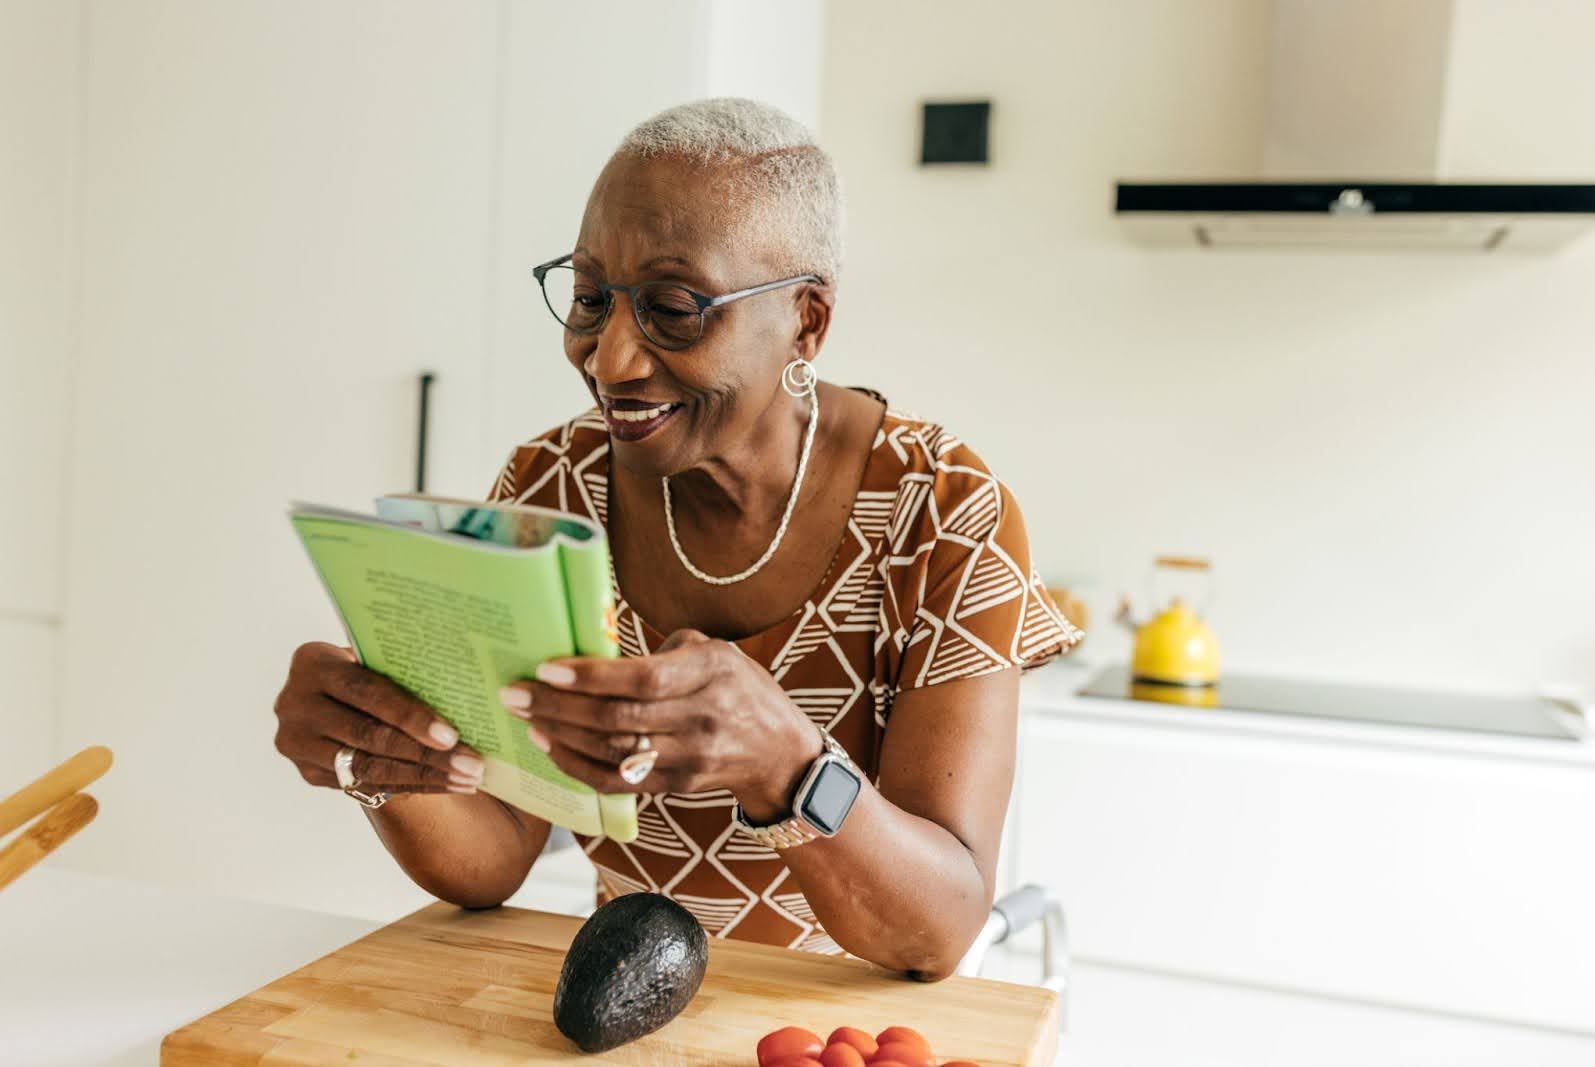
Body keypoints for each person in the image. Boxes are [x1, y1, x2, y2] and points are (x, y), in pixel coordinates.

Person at [272, 98, 1079, 980]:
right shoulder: (555, 486)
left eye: (674, 307)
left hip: (840, 1026)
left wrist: (784, 758)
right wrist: (383, 756)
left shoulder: (945, 511)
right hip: (627, 1005)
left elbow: (940, 926)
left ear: (807, 320)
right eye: (589, 299)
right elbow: (498, 848)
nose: (609, 359)